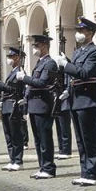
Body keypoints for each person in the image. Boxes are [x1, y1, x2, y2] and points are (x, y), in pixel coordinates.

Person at [56, 17, 96, 186]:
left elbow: (84, 73)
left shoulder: (95, 52)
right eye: (77, 31)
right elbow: (74, 74)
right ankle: (85, 171)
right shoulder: (77, 52)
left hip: (88, 98)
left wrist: (66, 65)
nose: (78, 34)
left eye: (81, 31)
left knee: (90, 138)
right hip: (76, 98)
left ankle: (94, 173)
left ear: (90, 33)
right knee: (80, 139)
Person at [22, 34, 58, 179]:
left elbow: (42, 82)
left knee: (45, 139)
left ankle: (49, 168)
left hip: (43, 105)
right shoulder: (40, 62)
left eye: (36, 46)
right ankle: (42, 166)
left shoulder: (49, 63)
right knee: (37, 139)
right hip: (35, 105)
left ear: (44, 45)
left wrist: (24, 78)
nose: (34, 48)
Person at [0, 48, 27, 171]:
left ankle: (18, 160)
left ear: (17, 58)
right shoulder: (12, 72)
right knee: (8, 134)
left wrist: (0, 84)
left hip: (14, 105)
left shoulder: (20, 71)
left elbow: (13, 90)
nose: (9, 59)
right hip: (7, 105)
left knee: (15, 134)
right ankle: (12, 159)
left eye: (11, 57)